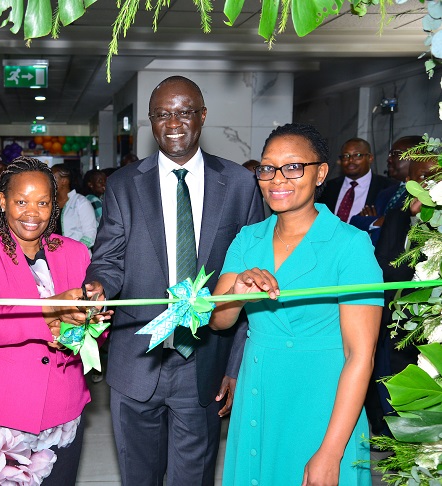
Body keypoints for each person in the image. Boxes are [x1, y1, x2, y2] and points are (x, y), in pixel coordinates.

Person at [82, 75, 264, 485]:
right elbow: (109, 259)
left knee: (193, 478)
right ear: (150, 121)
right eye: (162, 114)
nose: (174, 123)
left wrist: (236, 365)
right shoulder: (124, 184)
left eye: (184, 112)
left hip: (204, 363)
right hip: (136, 359)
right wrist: (99, 286)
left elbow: (249, 285)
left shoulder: (238, 184)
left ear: (203, 116)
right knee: (138, 477)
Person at [210, 123, 382, 485]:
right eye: (268, 168)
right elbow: (219, 321)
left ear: (320, 173)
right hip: (259, 392)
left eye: (293, 167)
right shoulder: (248, 239)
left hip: (322, 401)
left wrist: (331, 452)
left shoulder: (349, 245)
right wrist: (237, 291)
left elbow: (360, 356)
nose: (277, 179)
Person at [0, 156, 109, 485]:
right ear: (3, 201)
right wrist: (53, 309)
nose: (32, 213)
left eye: (43, 203)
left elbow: (92, 331)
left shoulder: (75, 252)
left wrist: (93, 320)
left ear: (55, 205)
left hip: (61, 410)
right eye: (21, 202)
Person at [367, 153, 439, 435]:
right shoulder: (398, 217)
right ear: (409, 182)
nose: (429, 184)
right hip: (401, 319)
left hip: (434, 318)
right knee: (399, 379)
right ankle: (397, 435)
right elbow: (386, 267)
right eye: (422, 178)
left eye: (436, 177)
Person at [350, 135, 424, 242]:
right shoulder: (386, 192)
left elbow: (403, 225)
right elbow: (355, 221)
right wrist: (377, 221)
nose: (388, 159)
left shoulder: (424, 192)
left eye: (394, 154)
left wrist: (378, 221)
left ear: (415, 155)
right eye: (389, 154)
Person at [318, 137, 395, 222]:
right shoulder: (327, 187)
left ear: (370, 158)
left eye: (357, 155)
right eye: (346, 156)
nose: (350, 160)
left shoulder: (388, 187)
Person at [51, 163, 97, 249]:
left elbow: (90, 235)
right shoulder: (50, 203)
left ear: (64, 181)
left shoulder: (81, 202)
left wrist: (73, 252)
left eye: (52, 178)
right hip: (55, 255)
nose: (48, 181)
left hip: (77, 255)